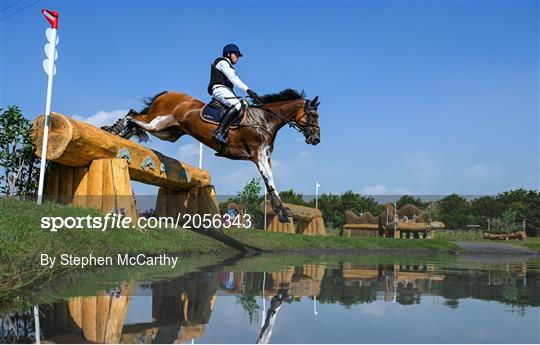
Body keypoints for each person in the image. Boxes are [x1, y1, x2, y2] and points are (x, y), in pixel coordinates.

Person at [208, 43, 262, 145]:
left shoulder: (229, 66)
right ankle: (219, 132)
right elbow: (234, 79)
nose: (238, 57)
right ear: (228, 54)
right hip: (218, 89)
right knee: (236, 105)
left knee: (244, 104)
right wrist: (248, 90)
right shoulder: (222, 62)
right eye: (236, 54)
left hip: (225, 90)